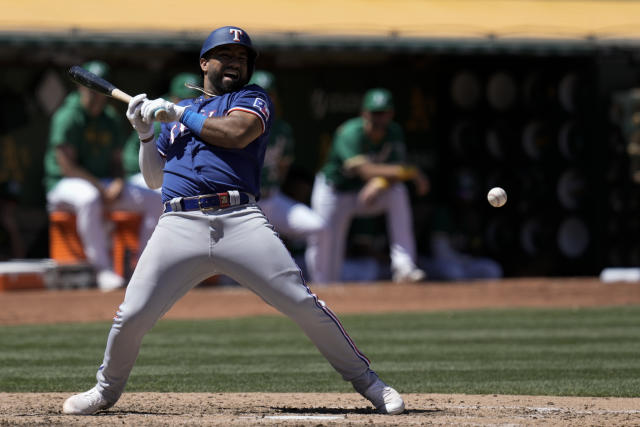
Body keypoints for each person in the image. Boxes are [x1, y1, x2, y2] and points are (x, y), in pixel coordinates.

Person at [62, 26, 404, 416]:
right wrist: (144, 135)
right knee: (131, 315)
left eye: (241, 58)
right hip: (178, 223)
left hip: (238, 217)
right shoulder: (174, 121)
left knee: (303, 304)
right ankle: (105, 390)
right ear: (204, 63)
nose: (234, 63)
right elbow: (155, 180)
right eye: (225, 56)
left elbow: (236, 134)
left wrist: (179, 112)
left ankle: (371, 384)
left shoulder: (251, 99)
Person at [44, 60, 163, 291]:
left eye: (98, 91)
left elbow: (117, 162)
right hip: (63, 185)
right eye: (89, 90)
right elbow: (67, 167)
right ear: (81, 88)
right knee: (89, 198)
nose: (94, 96)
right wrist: (102, 188)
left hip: (103, 184)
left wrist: (118, 182)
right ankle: (103, 271)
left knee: (155, 198)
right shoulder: (68, 116)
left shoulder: (109, 118)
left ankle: (144, 268)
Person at [305, 88, 430, 284]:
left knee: (397, 192)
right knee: (326, 244)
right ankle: (320, 288)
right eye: (374, 113)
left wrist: (380, 182)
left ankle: (404, 267)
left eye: (383, 113)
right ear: (364, 113)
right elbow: (364, 170)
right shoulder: (350, 132)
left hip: (364, 193)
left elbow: (390, 172)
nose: (379, 119)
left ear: (391, 114)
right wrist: (409, 171)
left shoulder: (393, 132)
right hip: (334, 193)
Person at [249, 70, 326, 244]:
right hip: (245, 203)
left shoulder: (282, 129)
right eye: (258, 94)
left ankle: (318, 272)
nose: (264, 100)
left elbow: (283, 169)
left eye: (269, 94)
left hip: (272, 198)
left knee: (318, 226)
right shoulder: (236, 125)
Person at [122, 72, 200, 190]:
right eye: (182, 99)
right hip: (140, 175)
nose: (187, 105)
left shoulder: (200, 116)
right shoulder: (160, 117)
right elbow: (130, 159)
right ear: (172, 97)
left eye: (193, 100)